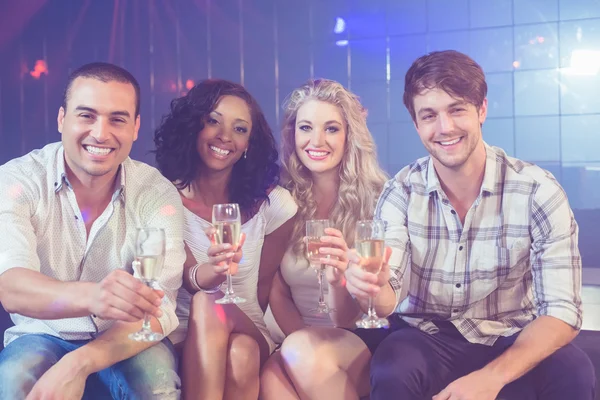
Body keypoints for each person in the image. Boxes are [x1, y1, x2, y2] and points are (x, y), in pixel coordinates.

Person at [276, 50, 596, 400]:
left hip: (510, 334)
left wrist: (491, 378)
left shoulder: (538, 190)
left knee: (574, 369)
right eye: (429, 115)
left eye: (457, 109)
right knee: (392, 366)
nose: (444, 128)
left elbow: (562, 311)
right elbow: (388, 295)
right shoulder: (401, 191)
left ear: (482, 110)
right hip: (426, 336)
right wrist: (369, 286)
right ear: (416, 124)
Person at [0, 62, 185, 399]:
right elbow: (11, 287)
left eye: (117, 119)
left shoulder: (157, 194)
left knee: (157, 385)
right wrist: (95, 296)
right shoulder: (17, 181)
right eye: (86, 116)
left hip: (125, 337)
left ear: (135, 127)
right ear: (62, 119)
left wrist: (79, 363)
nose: (101, 133)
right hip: (41, 333)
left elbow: (160, 309)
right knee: (14, 381)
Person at [154, 79, 297, 400]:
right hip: (180, 335)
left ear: (249, 144)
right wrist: (216, 271)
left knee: (220, 312)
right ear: (194, 127)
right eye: (213, 121)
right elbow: (193, 280)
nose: (225, 136)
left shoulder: (275, 205)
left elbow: (261, 292)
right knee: (239, 352)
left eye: (240, 129)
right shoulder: (164, 198)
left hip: (247, 323)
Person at [260, 78, 388, 399]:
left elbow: (350, 316)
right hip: (298, 338)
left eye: (331, 129)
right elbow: (277, 292)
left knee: (298, 355)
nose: (316, 140)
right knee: (271, 378)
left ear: (349, 136)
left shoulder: (380, 200)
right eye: (306, 128)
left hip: (360, 335)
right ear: (293, 135)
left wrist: (339, 278)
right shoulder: (280, 199)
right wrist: (298, 339)